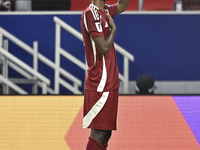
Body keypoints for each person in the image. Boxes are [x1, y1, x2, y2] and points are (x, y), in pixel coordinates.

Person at [81, 0, 129, 149]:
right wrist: (114, 30)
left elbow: (122, 5)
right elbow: (102, 48)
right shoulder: (91, 14)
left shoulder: (106, 11)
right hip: (100, 83)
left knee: (106, 133)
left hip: (111, 81)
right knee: (98, 133)